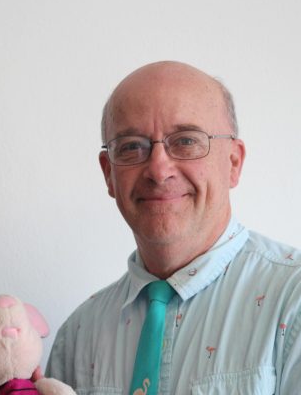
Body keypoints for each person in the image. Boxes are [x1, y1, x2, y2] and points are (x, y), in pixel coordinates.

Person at [46, 61, 301, 394]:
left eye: (186, 141)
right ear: (109, 173)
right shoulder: (78, 336)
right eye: (132, 146)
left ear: (233, 163)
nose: (158, 169)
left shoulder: (292, 302)